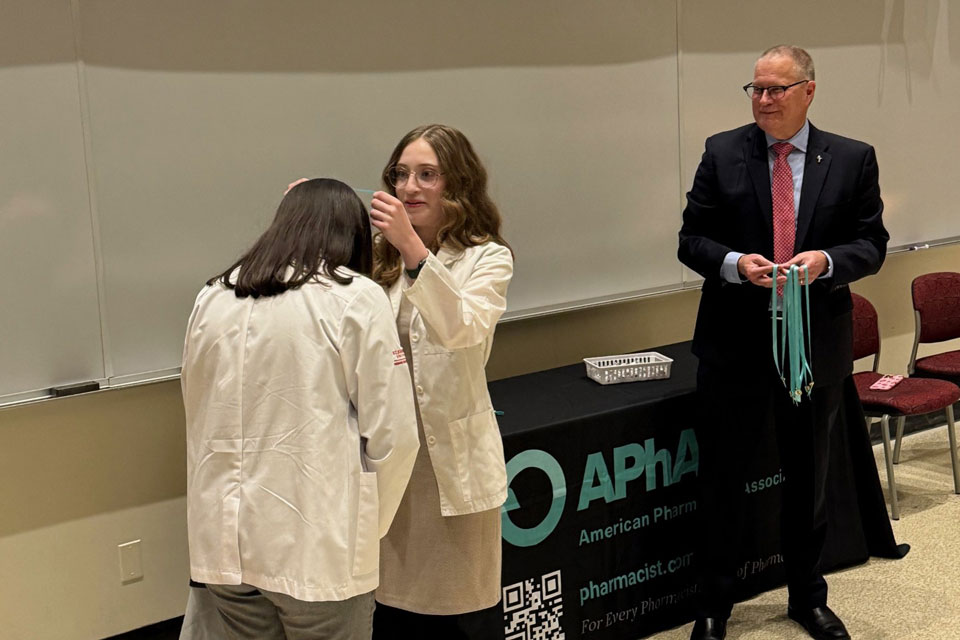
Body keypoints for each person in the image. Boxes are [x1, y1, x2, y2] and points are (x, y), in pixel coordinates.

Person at [678, 46, 888, 640]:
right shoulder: (724, 152)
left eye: (776, 89)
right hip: (734, 345)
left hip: (814, 346)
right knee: (723, 478)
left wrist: (824, 261)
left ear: (809, 91)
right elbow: (691, 239)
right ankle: (714, 606)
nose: (763, 100)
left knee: (807, 476)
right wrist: (732, 262)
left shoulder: (850, 158)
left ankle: (807, 596)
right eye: (755, 89)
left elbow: (871, 244)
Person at [181, 178, 419, 640]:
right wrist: (365, 527)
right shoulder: (354, 297)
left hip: (225, 548)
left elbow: (197, 410)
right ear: (350, 236)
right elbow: (395, 435)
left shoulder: (211, 296)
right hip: (318, 549)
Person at [367, 124, 513, 637]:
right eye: (401, 174)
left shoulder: (487, 257)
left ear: (459, 183)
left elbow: (463, 331)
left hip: (447, 462)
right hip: (390, 460)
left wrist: (413, 249)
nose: (409, 187)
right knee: (392, 613)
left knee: (462, 613)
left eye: (427, 174)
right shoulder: (373, 260)